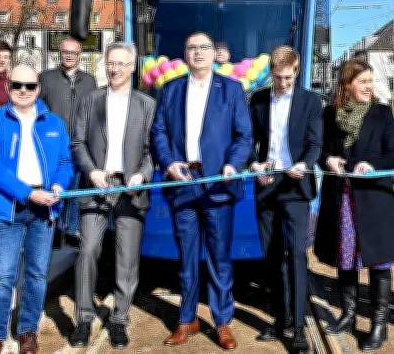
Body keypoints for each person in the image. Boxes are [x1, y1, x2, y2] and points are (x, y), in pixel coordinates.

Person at [152, 32, 252, 350]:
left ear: (214, 53)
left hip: (218, 187)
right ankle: (187, 320)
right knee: (187, 258)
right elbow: (160, 131)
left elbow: (244, 135)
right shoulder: (170, 89)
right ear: (185, 54)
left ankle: (222, 322)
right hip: (182, 183)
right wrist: (168, 164)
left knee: (220, 257)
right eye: (192, 48)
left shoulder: (232, 89)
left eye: (203, 48)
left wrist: (233, 165)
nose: (197, 53)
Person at [0, 65, 73, 354]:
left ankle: (27, 331)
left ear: (38, 89)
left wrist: (58, 186)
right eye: (17, 85)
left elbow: (65, 163)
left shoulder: (54, 123)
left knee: (37, 275)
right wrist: (28, 193)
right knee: (3, 275)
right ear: (7, 88)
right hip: (7, 208)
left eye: (29, 86)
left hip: (44, 210)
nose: (23, 91)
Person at [313, 59, 394, 351]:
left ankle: (378, 324)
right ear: (347, 85)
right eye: (362, 81)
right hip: (341, 199)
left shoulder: (382, 113)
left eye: (370, 81)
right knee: (346, 259)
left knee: (379, 262)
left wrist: (368, 163)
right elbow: (322, 151)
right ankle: (349, 313)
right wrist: (328, 159)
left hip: (374, 200)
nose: (368, 87)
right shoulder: (330, 114)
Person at [69, 43, 155, 349]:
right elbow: (77, 141)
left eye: (121, 64)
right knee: (88, 250)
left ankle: (119, 319)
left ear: (132, 67)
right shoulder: (90, 100)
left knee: (127, 258)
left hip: (130, 190)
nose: (114, 69)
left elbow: (151, 151)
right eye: (110, 63)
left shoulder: (146, 104)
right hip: (97, 186)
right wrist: (92, 172)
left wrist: (141, 176)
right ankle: (84, 318)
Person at [248, 46, 322, 353]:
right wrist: (253, 164)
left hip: (295, 186)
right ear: (271, 72)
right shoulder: (259, 100)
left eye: (288, 77)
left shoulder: (310, 101)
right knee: (272, 255)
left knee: (297, 254)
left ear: (297, 71)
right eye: (277, 77)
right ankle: (281, 317)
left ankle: (300, 326)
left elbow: (315, 143)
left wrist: (304, 164)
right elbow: (248, 140)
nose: (282, 83)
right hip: (267, 185)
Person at [39, 38, 97, 247]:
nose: (69, 56)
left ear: (79, 55)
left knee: (74, 189)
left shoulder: (89, 81)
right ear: (59, 54)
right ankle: (52, 229)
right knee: (53, 187)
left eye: (73, 52)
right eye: (65, 52)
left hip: (79, 142)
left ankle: (71, 228)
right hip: (52, 144)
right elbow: (39, 109)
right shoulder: (45, 78)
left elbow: (93, 111)